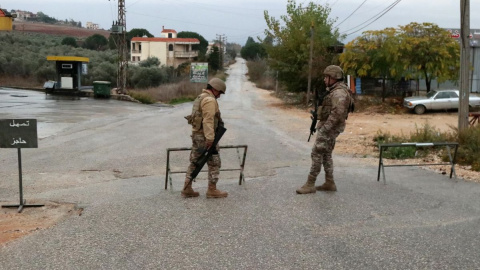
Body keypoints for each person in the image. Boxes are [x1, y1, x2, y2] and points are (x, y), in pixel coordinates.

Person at [296, 65, 353, 194]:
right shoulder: (335, 90)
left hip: (330, 128)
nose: (324, 80)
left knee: (316, 153)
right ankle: (329, 182)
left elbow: (338, 113)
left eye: (326, 77)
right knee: (326, 154)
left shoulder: (339, 92)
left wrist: (326, 128)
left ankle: (310, 184)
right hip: (329, 127)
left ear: (333, 77)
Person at [182, 78, 228, 198]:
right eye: (220, 93)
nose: (219, 96)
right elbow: (208, 120)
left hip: (198, 135)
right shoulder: (209, 100)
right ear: (215, 89)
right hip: (205, 136)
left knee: (195, 162)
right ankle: (212, 190)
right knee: (214, 163)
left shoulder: (200, 97)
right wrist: (210, 139)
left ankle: (187, 188)